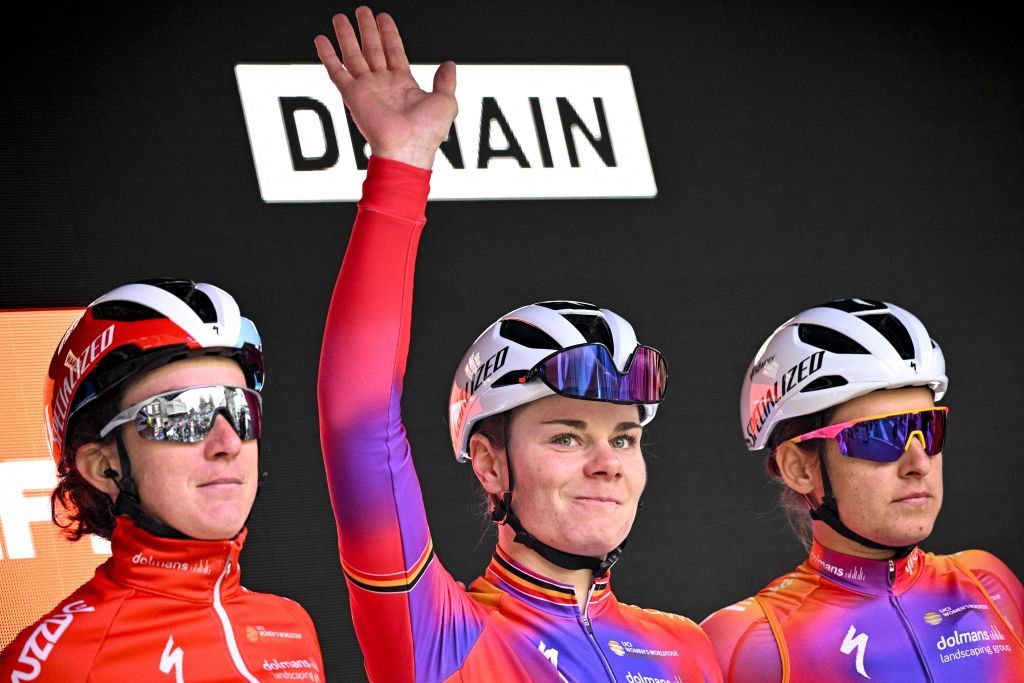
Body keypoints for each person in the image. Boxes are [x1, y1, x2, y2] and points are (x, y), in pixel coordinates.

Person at [315, 7, 722, 682]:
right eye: (566, 436)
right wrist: (401, 166)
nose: (607, 463)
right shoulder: (442, 637)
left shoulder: (689, 648)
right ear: (488, 461)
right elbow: (357, 421)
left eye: (624, 437)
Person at [0, 279, 325, 682]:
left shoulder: (290, 625)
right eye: (180, 415)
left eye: (239, 409)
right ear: (103, 467)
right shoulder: (57, 667)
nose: (227, 443)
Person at [700, 298, 1024, 682]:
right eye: (880, 436)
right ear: (799, 468)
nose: (919, 463)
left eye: (930, 428)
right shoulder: (747, 640)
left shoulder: (989, 582)